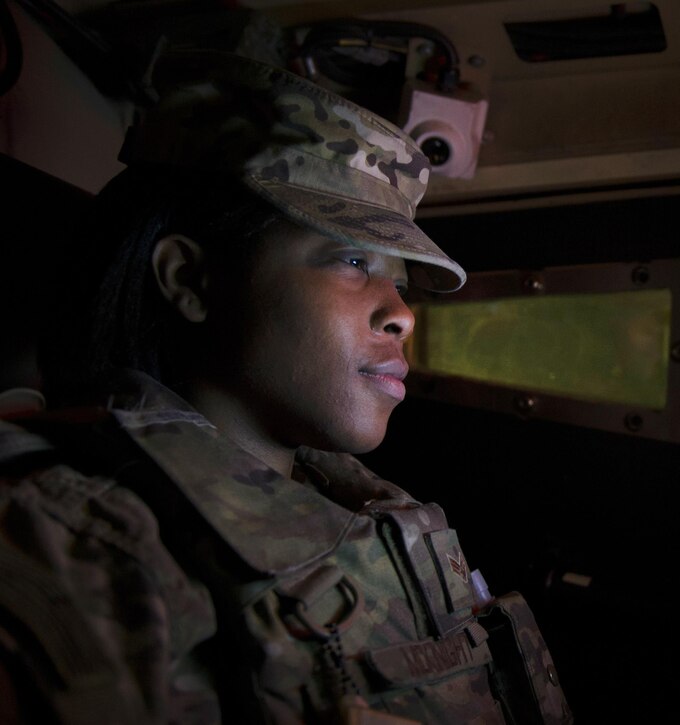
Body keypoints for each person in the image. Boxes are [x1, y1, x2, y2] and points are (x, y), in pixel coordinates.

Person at [0, 48, 571, 724]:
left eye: (402, 281)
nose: (403, 313)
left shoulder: (355, 502)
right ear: (189, 279)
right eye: (354, 260)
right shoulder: (77, 546)